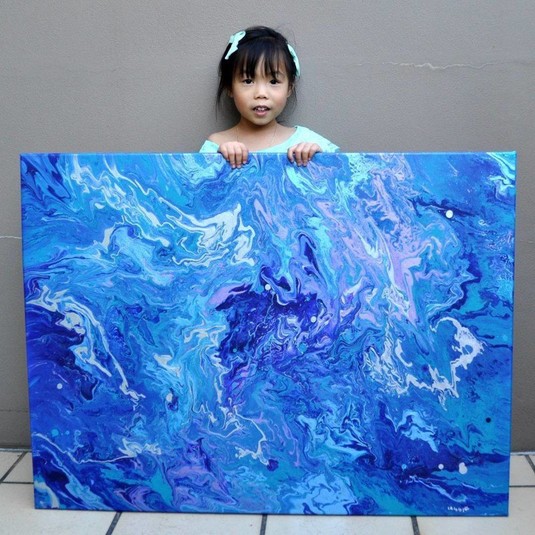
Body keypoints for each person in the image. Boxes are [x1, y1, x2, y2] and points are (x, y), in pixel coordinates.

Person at [200, 26, 339, 169]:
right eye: (248, 81)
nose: (261, 93)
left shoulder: (306, 142)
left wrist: (321, 160)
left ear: (289, 88)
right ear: (230, 87)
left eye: (273, 81)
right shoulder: (217, 145)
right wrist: (218, 162)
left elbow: (342, 174)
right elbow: (198, 180)